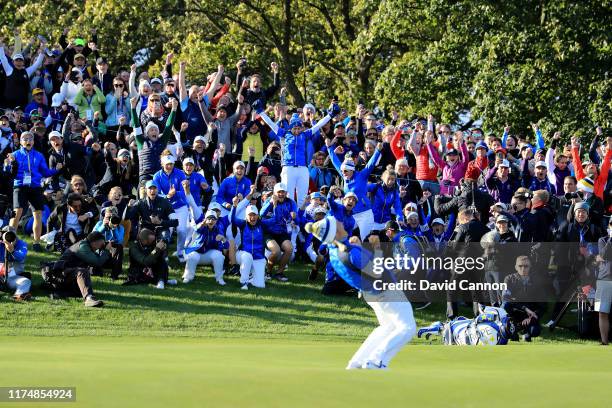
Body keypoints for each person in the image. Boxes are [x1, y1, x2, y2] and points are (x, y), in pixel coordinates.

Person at [305, 215, 416, 369]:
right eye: (337, 223)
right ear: (335, 232)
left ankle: (357, 362)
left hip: (373, 293)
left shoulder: (336, 251)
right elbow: (377, 271)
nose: (341, 222)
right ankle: (377, 361)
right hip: (385, 290)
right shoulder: (349, 252)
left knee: (387, 327)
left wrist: (359, 246)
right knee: (407, 328)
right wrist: (377, 246)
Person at [255, 101, 336, 207]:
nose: (297, 130)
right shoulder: (284, 133)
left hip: (303, 168)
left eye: (299, 128)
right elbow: (270, 123)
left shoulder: (305, 134)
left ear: (301, 128)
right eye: (295, 128)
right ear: (290, 127)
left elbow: (319, 125)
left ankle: (301, 221)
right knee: (288, 197)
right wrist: (260, 112)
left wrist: (330, 115)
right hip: (288, 168)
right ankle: (289, 219)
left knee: (303, 197)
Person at [4, 131, 60, 251]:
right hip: (20, 186)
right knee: (17, 211)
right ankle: (10, 239)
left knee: (38, 214)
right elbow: (8, 172)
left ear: (33, 141)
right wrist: (8, 163)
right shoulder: (15, 154)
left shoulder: (39, 155)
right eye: (25, 139)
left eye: (30, 139)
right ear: (21, 142)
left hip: (35, 187)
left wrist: (56, 169)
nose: (28, 141)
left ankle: (36, 243)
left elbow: (45, 172)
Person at [328, 139, 384, 240]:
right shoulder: (344, 175)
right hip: (350, 214)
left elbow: (370, 165)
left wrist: (378, 151)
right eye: (342, 171)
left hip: (365, 214)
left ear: (352, 170)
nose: (343, 173)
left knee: (364, 240)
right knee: (342, 236)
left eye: (345, 171)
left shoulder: (362, 175)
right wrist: (329, 148)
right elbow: (335, 161)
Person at [58, 232, 110, 307]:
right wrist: (106, 250)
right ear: (95, 242)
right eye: (102, 243)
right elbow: (97, 262)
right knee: (82, 271)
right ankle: (89, 299)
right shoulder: (83, 246)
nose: (103, 245)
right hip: (61, 275)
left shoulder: (87, 246)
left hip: (68, 274)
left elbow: (98, 260)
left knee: (82, 271)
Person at [231, 201, 272, 290]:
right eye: (250, 215)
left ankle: (251, 278)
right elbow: (232, 219)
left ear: (258, 216)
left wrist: (274, 205)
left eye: (254, 215)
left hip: (258, 257)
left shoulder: (262, 224)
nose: (252, 217)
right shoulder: (243, 224)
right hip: (243, 254)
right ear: (246, 216)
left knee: (260, 285)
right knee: (247, 257)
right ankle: (243, 282)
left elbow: (276, 220)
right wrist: (234, 206)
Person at [259, 182, 297, 281]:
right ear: (274, 193)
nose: (281, 194)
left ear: (286, 193)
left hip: (282, 232)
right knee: (276, 251)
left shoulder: (290, 202)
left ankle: (279, 273)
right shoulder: (269, 200)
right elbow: (261, 214)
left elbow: (295, 215)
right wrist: (271, 203)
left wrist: (294, 216)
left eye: (283, 192)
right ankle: (268, 272)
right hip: (269, 232)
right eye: (279, 192)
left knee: (289, 248)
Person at [502, 256, 544, 342]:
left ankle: (523, 330)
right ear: (516, 267)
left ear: (530, 266)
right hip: (514, 311)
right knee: (505, 305)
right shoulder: (508, 279)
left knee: (535, 331)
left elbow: (543, 304)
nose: (523, 268)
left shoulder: (537, 281)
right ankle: (512, 329)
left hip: (529, 314)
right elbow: (506, 297)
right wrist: (524, 308)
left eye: (526, 266)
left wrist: (532, 316)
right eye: (520, 266)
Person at [183, 210, 229, 285]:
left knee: (219, 256)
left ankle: (219, 278)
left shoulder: (218, 230)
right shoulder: (202, 227)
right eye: (209, 219)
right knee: (192, 257)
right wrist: (201, 224)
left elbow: (226, 246)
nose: (211, 221)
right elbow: (196, 229)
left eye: (213, 219)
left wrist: (223, 239)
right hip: (197, 252)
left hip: (209, 254)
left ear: (216, 221)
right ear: (205, 220)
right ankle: (188, 277)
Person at [92, 207, 124, 280]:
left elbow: (119, 240)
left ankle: (115, 274)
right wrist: (103, 226)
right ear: (104, 216)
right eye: (108, 217)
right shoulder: (99, 223)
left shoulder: (120, 227)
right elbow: (92, 237)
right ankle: (97, 271)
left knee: (119, 247)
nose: (110, 219)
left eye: (112, 217)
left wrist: (114, 228)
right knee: (97, 244)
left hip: (113, 255)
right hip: (100, 252)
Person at [0, 226, 31, 301]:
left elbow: (21, 257)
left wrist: (12, 251)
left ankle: (18, 295)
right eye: (6, 235)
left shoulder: (21, 244)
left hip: (13, 277)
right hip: (0, 275)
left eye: (12, 235)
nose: (9, 238)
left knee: (26, 281)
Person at [595, 218, 612, 345]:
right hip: (605, 279)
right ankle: (604, 342)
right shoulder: (603, 240)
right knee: (603, 311)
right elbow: (604, 254)